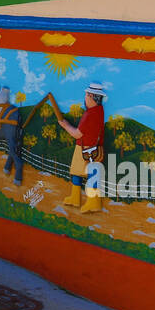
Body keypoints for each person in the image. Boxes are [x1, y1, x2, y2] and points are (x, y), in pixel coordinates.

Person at [60, 83, 107, 213]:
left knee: (91, 175)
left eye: (86, 95)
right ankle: (76, 197)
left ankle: (93, 202)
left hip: (85, 149)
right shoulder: (99, 111)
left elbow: (77, 134)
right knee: (77, 172)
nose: (85, 98)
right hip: (89, 147)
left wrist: (66, 126)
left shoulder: (90, 114)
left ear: (91, 96)